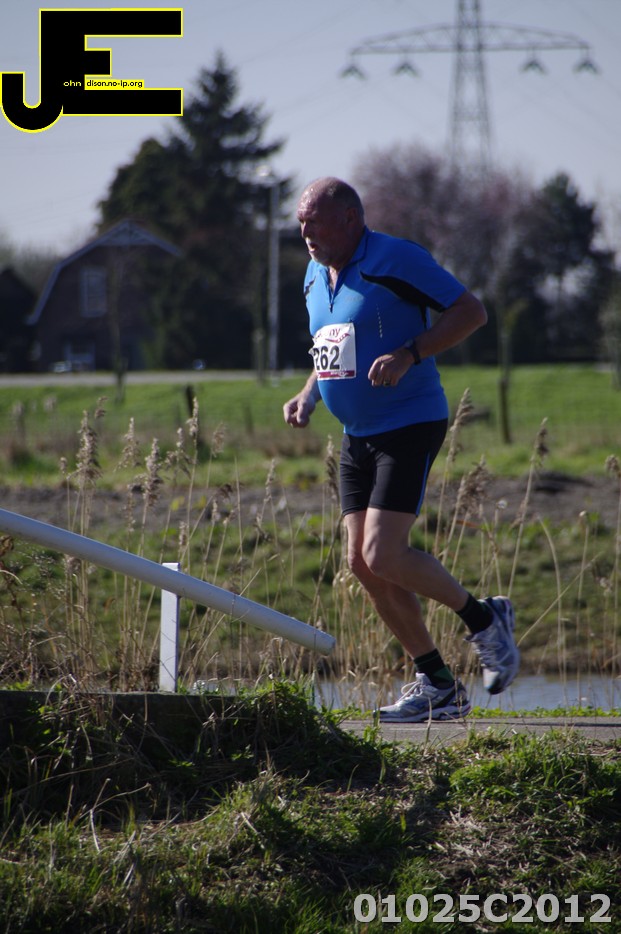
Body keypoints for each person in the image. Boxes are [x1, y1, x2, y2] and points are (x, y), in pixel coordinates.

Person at [283, 177, 519, 723]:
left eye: (315, 222)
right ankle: (438, 683)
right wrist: (309, 393)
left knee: (383, 553)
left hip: (409, 421)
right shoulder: (314, 274)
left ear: (350, 218)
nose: (306, 233)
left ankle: (484, 619)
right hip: (356, 433)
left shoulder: (395, 258)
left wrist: (411, 352)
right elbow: (331, 343)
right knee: (362, 565)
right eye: (300, 223)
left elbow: (470, 312)